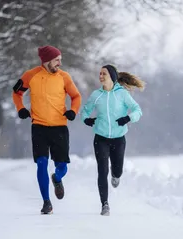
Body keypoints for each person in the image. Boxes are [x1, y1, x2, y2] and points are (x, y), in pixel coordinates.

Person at [12, 45, 82, 215]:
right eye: (57, 59)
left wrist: (73, 111)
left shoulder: (64, 77)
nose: (59, 63)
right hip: (39, 127)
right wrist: (20, 108)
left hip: (59, 128)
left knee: (62, 167)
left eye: (60, 60)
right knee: (41, 164)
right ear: (46, 60)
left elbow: (76, 96)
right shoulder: (31, 75)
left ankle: (57, 178)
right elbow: (16, 92)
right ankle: (46, 202)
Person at [81, 64, 144, 216]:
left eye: (104, 74)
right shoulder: (96, 95)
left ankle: (116, 175)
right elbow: (85, 111)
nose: (100, 76)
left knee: (117, 169)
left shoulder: (122, 94)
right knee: (102, 170)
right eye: (100, 74)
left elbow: (138, 110)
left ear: (112, 77)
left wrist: (128, 118)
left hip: (118, 138)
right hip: (100, 138)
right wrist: (86, 120)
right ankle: (105, 204)